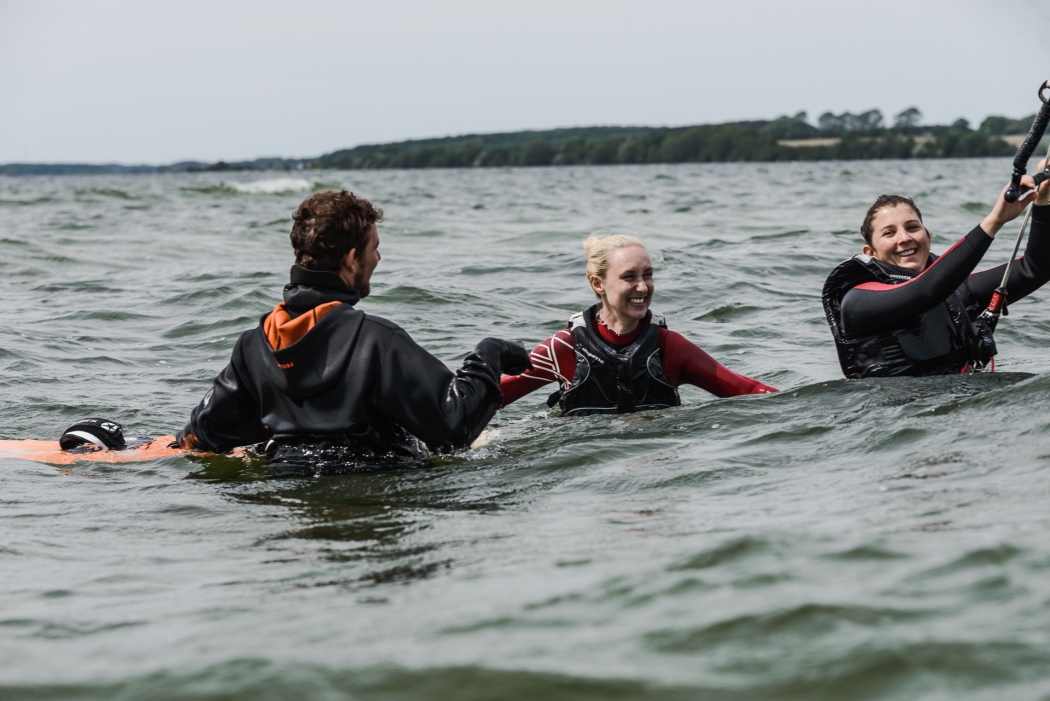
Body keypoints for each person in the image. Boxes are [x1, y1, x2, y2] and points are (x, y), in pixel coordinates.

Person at [176, 190, 531, 458]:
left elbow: (202, 435)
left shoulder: (253, 345)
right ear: (351, 258)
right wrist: (490, 354)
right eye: (374, 247)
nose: (378, 257)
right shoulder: (377, 340)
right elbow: (455, 428)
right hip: (371, 488)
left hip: (287, 502)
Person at [499, 234, 777, 416]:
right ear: (598, 283)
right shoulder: (564, 347)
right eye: (629, 277)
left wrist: (814, 405)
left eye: (648, 275)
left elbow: (748, 392)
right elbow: (489, 398)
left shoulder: (669, 347)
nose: (643, 287)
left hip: (654, 459)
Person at [822, 167, 1050, 378]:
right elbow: (926, 291)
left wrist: (1043, 201)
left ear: (928, 238)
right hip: (894, 414)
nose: (904, 238)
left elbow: (1036, 268)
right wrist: (994, 221)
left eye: (912, 227)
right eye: (889, 233)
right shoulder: (857, 302)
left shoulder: (959, 292)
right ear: (870, 252)